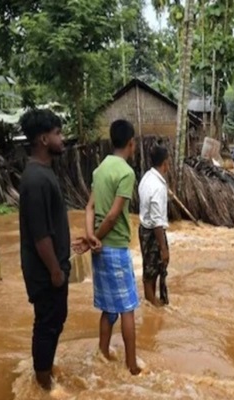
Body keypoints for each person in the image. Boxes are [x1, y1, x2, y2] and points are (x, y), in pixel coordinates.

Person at [18, 108, 88, 390]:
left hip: (49, 268)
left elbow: (48, 228)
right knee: (47, 324)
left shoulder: (43, 174)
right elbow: (40, 235)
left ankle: (44, 374)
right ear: (44, 139)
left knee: (53, 321)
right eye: (58, 133)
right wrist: (55, 270)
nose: (63, 139)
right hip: (45, 272)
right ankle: (43, 384)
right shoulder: (35, 179)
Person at [85, 119, 141, 375]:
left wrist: (90, 239)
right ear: (131, 144)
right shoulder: (126, 173)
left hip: (98, 250)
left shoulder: (100, 170)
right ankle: (132, 367)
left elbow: (90, 208)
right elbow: (113, 216)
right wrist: (95, 238)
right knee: (127, 308)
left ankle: (104, 354)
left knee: (109, 308)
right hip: (115, 248)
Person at [138, 145, 171, 307]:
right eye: (168, 163)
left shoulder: (146, 178)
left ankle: (151, 303)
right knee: (152, 271)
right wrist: (163, 248)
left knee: (150, 268)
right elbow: (157, 221)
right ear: (164, 163)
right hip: (153, 232)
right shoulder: (157, 186)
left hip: (144, 229)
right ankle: (152, 304)